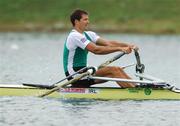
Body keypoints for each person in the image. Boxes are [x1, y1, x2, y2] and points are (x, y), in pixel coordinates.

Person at [63, 9, 138, 88]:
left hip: (84, 71)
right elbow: (96, 50)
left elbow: (109, 43)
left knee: (118, 69)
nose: (88, 22)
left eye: (88, 19)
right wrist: (120, 49)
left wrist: (128, 45)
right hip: (75, 74)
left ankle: (137, 87)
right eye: (85, 19)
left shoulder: (89, 34)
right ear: (76, 21)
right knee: (114, 70)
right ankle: (135, 92)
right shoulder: (74, 36)